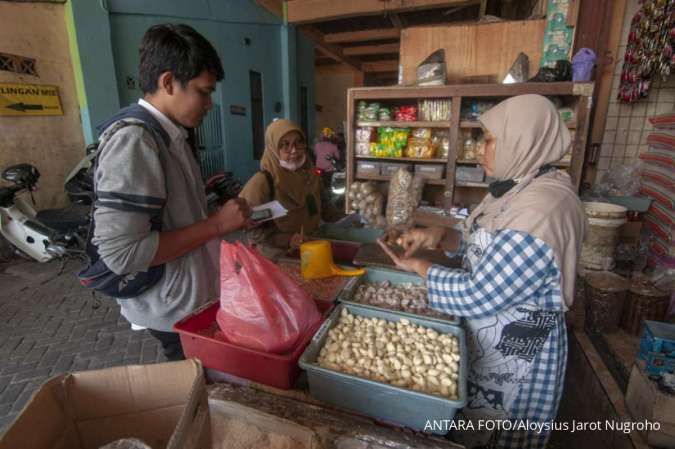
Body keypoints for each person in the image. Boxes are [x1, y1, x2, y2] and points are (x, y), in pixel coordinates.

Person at [379, 95, 586, 449]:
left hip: (518, 358)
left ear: (522, 139)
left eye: (489, 140)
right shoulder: (518, 187)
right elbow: (489, 243)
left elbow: (479, 294)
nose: (480, 150)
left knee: (503, 437)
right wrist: (441, 236)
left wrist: (421, 267)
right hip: (490, 343)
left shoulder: (543, 209)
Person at [91, 24, 251, 361]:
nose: (209, 104)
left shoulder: (169, 134)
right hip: (173, 310)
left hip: (190, 301)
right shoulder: (135, 140)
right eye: (204, 92)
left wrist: (219, 219)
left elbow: (176, 216)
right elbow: (122, 254)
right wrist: (217, 225)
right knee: (200, 387)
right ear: (168, 82)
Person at [239, 119, 322, 250]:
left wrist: (348, 220)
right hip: (277, 257)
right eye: (285, 145)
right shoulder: (263, 182)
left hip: (308, 247)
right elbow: (252, 229)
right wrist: (287, 240)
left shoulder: (309, 175)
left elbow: (324, 206)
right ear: (273, 149)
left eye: (298, 143)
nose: (294, 150)